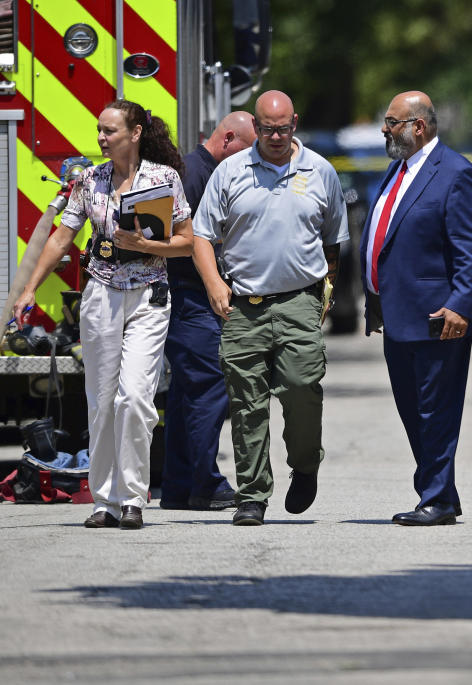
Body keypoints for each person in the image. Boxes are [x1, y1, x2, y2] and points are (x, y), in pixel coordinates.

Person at [12, 99, 193, 530]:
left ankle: (133, 496)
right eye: (99, 129)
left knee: (134, 397)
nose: (101, 138)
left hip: (148, 294)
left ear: (134, 134)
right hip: (101, 297)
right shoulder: (89, 181)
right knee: (101, 401)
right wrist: (29, 289)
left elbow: (186, 241)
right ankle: (104, 501)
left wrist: (147, 247)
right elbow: (61, 239)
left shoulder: (162, 180)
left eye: (109, 131)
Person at [192, 90, 348, 526]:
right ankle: (252, 496)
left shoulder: (320, 171)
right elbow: (202, 235)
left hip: (299, 300)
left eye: (283, 128)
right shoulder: (230, 172)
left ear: (294, 122)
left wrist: (326, 294)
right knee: (246, 403)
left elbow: (333, 241)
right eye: (266, 129)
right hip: (243, 307)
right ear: (254, 126)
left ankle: (305, 463)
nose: (275, 136)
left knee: (302, 389)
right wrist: (214, 284)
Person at [359, 91, 472, 526]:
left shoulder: (455, 174)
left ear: (418, 126)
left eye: (391, 122)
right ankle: (443, 493)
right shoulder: (399, 169)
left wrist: (460, 305)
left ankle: (435, 498)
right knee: (413, 409)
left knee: (436, 410)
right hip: (398, 316)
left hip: (439, 318)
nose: (384, 129)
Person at [160, 111, 256, 511]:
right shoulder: (198, 175)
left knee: (187, 395)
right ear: (229, 138)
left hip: (189, 301)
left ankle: (180, 486)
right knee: (208, 393)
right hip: (193, 299)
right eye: (248, 151)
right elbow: (186, 242)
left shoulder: (194, 169)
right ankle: (206, 484)